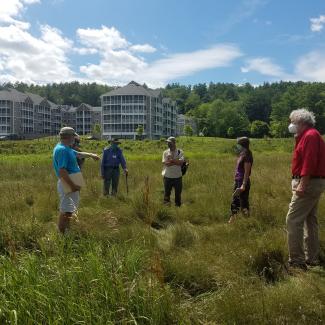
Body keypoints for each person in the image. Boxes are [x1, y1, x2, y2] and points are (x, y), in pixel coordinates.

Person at [286, 109, 325, 270]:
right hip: (312, 182)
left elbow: (309, 161)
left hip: (308, 183)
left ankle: (297, 261)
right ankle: (313, 258)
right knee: (311, 219)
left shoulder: (310, 135)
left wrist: (302, 184)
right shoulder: (306, 136)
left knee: (293, 220)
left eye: (292, 122)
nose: (290, 125)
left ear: (301, 122)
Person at [53, 127, 100, 233]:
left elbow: (78, 154)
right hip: (69, 182)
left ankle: (68, 231)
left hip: (73, 181)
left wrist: (91, 155)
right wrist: (73, 186)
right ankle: (62, 235)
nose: (74, 138)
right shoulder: (62, 150)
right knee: (66, 211)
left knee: (71, 209)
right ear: (69, 137)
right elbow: (62, 171)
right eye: (73, 136)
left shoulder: (66, 148)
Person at [228, 137, 253, 224]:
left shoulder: (247, 156)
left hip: (242, 181)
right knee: (235, 200)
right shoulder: (242, 154)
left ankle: (247, 221)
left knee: (243, 202)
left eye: (238, 144)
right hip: (238, 180)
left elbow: (246, 172)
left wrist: (243, 184)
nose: (237, 145)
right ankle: (233, 218)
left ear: (242, 144)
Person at [162, 137, 185, 207]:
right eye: (167, 142)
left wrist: (171, 159)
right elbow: (166, 164)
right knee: (166, 194)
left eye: (170, 142)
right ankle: (166, 208)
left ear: (174, 143)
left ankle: (177, 208)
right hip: (167, 177)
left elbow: (181, 163)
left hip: (178, 177)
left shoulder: (180, 152)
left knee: (178, 194)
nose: (168, 144)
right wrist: (176, 161)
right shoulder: (165, 152)